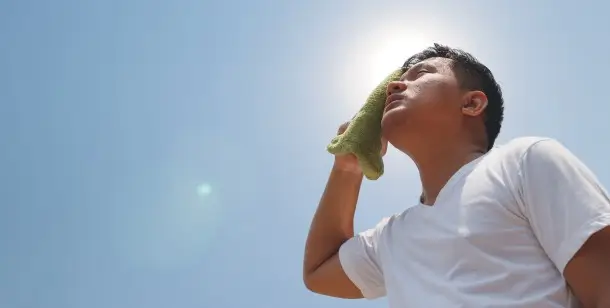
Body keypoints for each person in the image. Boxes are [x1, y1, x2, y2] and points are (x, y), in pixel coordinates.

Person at [302, 43, 610, 308]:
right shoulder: (391, 238)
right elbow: (319, 272)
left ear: (472, 103)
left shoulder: (524, 161)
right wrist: (347, 168)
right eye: (396, 83)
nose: (394, 87)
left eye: (421, 75)